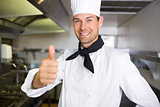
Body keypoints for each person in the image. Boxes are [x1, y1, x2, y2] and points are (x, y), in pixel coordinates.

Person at [21, 0, 160, 106]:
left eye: (89, 20)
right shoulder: (67, 58)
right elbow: (36, 86)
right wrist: (39, 79)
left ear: (100, 22)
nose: (83, 27)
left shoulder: (119, 60)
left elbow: (150, 103)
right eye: (77, 21)